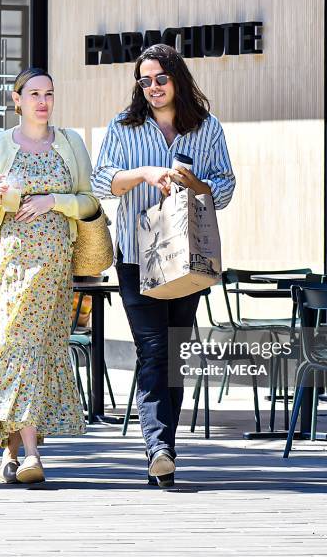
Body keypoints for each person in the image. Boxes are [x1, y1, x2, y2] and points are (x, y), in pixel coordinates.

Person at [91, 44, 235, 487]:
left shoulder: (206, 128)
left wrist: (198, 184)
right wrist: (146, 174)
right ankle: (160, 448)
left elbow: (226, 187)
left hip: (188, 254)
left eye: (160, 78)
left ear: (177, 79)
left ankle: (163, 450)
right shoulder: (123, 126)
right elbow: (101, 181)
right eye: (145, 80)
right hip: (137, 254)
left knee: (173, 352)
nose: (152, 87)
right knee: (152, 349)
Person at [0, 67, 99, 484]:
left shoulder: (71, 143)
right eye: (34, 94)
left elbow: (90, 201)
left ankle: (15, 453)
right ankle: (30, 455)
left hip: (54, 267)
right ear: (17, 99)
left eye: (49, 94)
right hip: (7, 265)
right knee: (10, 350)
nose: (43, 101)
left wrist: (54, 201)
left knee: (34, 353)